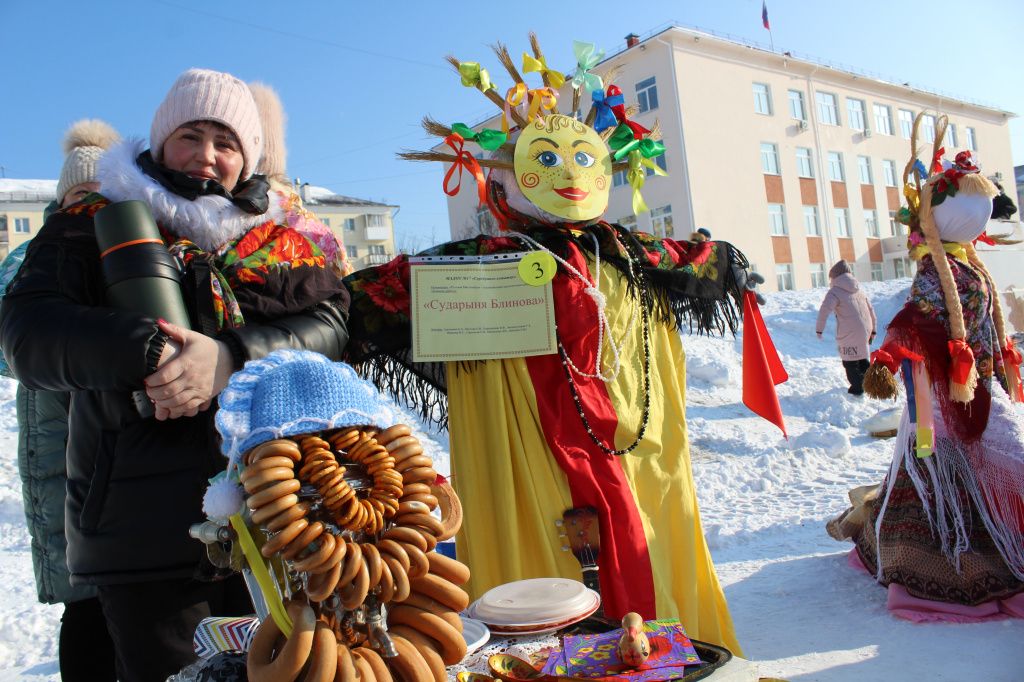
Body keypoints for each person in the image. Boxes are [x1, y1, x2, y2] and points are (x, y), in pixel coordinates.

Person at [342, 37, 762, 653]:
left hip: (636, 450)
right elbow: (365, 298)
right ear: (508, 181)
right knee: (542, 574)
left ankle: (660, 652)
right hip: (524, 448)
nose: (569, 174)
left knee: (645, 544)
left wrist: (728, 265)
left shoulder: (629, 254)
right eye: (547, 161)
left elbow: (706, 261)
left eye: (582, 159)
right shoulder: (472, 267)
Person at [0, 68, 350, 681]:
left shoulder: (288, 236)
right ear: (161, 140)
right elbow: (29, 333)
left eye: (227, 142)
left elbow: (330, 323)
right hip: (144, 525)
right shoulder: (95, 218)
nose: (208, 157)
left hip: (285, 511)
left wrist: (231, 356)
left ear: (250, 156)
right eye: (191, 135)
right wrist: (150, 353)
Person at [828, 115, 1024, 621]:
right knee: (980, 460)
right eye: (972, 206)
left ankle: (984, 540)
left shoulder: (967, 261)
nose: (984, 214)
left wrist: (998, 359)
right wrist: (888, 356)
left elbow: (974, 318)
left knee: (982, 462)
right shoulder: (937, 267)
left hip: (976, 379)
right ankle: (945, 561)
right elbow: (917, 317)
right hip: (945, 392)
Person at [0, 119, 119, 682]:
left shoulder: (134, 250)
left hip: (121, 442)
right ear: (59, 200)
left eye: (100, 195)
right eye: (77, 195)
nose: (88, 205)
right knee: (86, 595)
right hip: (60, 433)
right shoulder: (35, 257)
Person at [816, 259, 876, 395]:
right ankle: (873, 382)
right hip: (865, 330)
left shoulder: (835, 292)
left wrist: (819, 329)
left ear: (834, 277)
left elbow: (824, 310)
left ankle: (858, 388)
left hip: (849, 332)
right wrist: (873, 330)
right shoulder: (859, 290)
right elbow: (871, 310)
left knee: (850, 363)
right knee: (861, 358)